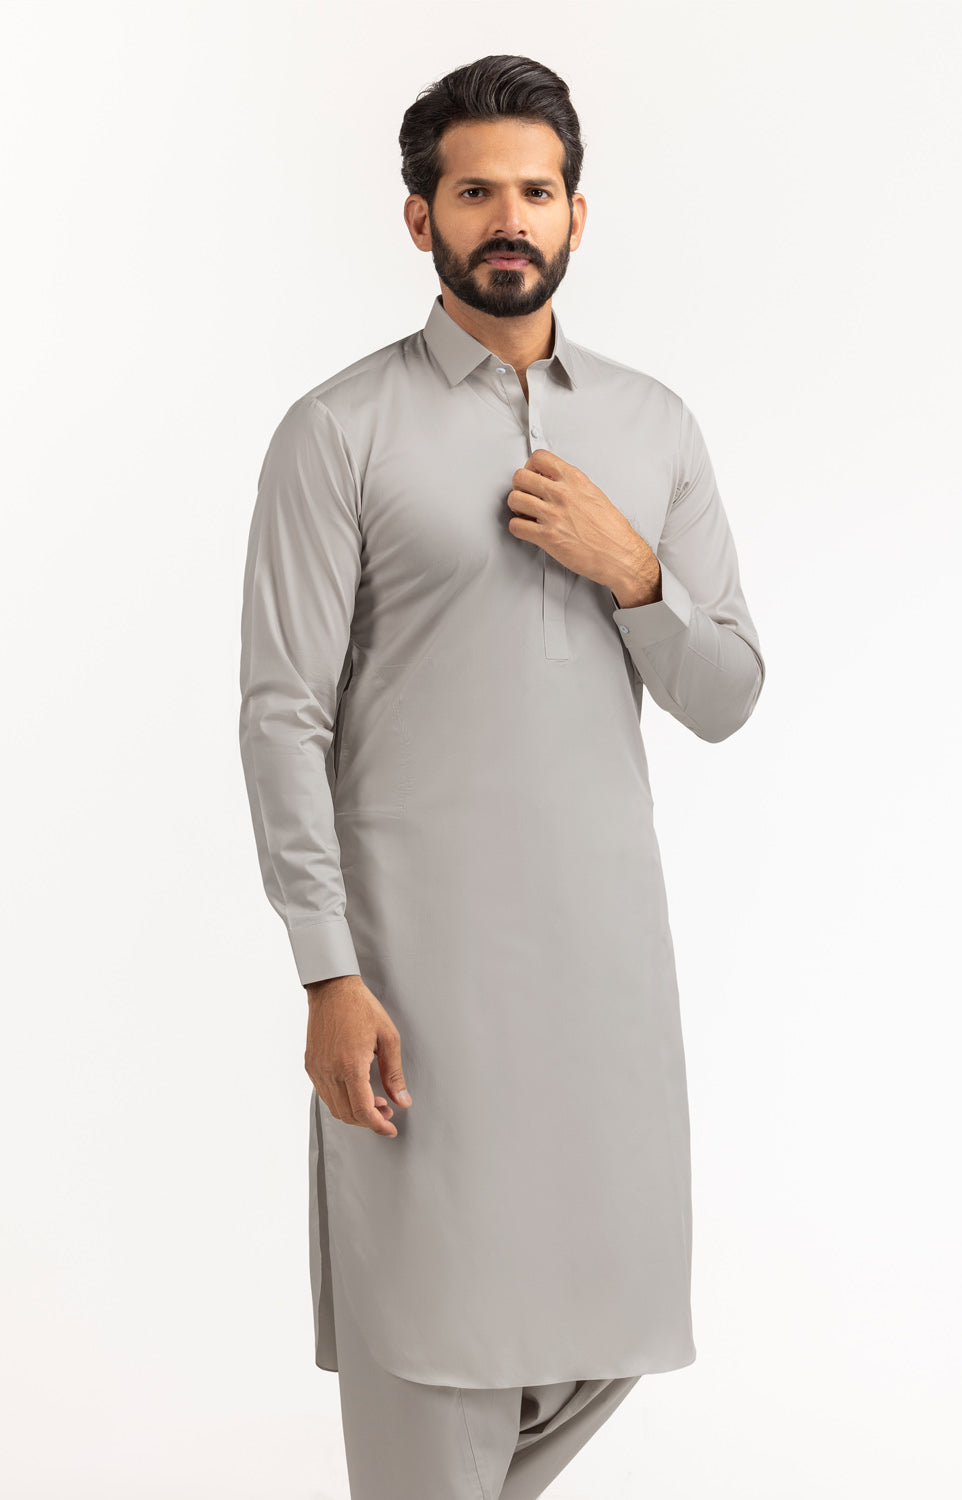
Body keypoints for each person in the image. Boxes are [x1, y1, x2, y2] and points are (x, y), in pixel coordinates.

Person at [238, 52, 766, 1500]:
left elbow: (727, 695)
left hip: (604, 975)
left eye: (536, 191)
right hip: (415, 974)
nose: (509, 219)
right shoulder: (338, 431)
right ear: (422, 218)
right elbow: (281, 717)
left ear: (578, 213)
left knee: (616, 1315)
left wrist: (635, 572)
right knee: (427, 1337)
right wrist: (326, 971)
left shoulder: (654, 427)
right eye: (476, 193)